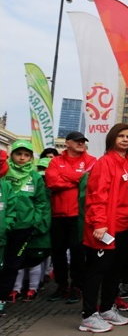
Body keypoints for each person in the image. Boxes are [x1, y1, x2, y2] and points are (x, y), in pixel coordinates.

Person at [79, 125, 128, 332]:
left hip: (127, 227)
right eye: (121, 136)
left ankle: (107, 308)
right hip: (107, 228)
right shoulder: (105, 162)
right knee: (97, 271)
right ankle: (89, 315)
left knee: (115, 271)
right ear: (112, 138)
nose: (126, 139)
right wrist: (99, 223)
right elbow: (96, 196)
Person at [44, 131, 96, 304]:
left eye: (83, 141)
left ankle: (77, 286)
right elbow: (52, 182)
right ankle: (61, 286)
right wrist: (76, 179)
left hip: (79, 216)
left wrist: (66, 177)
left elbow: (90, 181)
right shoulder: (56, 161)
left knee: (78, 253)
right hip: (58, 215)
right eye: (77, 141)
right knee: (58, 252)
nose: (81, 143)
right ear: (67, 143)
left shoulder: (91, 161)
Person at [0, 141, 50, 317]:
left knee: (13, 264)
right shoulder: (5, 173)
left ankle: (4, 297)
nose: (22, 158)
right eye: (18, 154)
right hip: (3, 227)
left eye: (26, 155)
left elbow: (41, 202)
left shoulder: (35, 177)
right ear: (12, 155)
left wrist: (35, 221)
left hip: (23, 228)